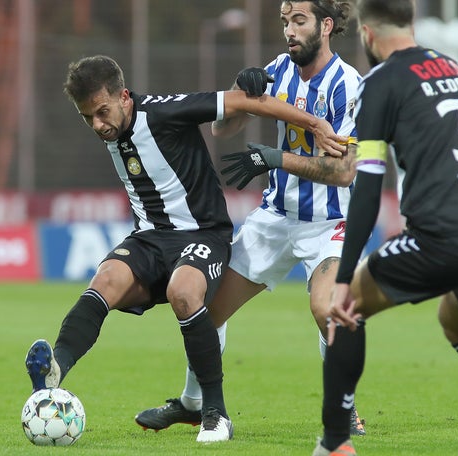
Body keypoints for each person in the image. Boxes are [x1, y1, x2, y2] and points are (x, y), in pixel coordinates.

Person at [24, 55, 349, 444]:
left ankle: (215, 413)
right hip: (149, 238)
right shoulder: (113, 127)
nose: (97, 125)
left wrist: (314, 123)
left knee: (185, 292)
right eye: (87, 118)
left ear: (124, 97)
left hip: (203, 235)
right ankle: (55, 369)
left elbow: (242, 102)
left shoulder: (164, 112)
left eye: (102, 112)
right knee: (105, 279)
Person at [134, 0, 368, 437]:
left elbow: (344, 172)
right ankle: (194, 403)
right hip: (275, 218)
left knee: (326, 308)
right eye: (285, 22)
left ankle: (343, 406)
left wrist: (277, 158)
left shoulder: (349, 86)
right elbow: (223, 130)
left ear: (327, 26)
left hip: (330, 223)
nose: (289, 31)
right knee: (203, 308)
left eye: (299, 21)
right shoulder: (277, 69)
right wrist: (241, 94)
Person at [313, 1, 458, 455]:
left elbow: (369, 185)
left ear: (368, 36)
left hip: (448, 234)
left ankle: (335, 445)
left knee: (347, 305)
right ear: (412, 24)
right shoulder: (454, 67)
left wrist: (341, 277)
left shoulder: (380, 82)